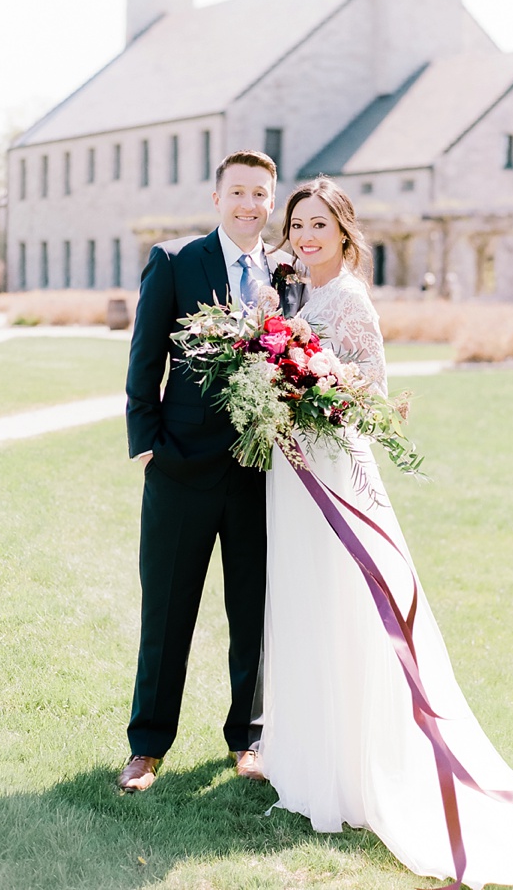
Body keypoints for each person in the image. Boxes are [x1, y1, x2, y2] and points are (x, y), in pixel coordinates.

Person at [258, 177, 513, 889]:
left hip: (333, 474)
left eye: (319, 223)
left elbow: (374, 393)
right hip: (292, 476)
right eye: (298, 224)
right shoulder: (298, 296)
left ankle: (358, 769)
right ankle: (308, 757)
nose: (306, 235)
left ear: (345, 232)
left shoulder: (350, 299)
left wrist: (313, 385)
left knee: (347, 611)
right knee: (303, 607)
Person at [120, 149, 304, 792]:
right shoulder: (175, 261)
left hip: (258, 472)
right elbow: (146, 356)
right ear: (217, 198)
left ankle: (247, 741)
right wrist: (147, 442)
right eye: (239, 192)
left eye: (261, 194)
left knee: (252, 611)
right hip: (179, 468)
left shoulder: (286, 271)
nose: (250, 204)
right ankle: (147, 746)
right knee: (166, 610)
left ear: (271, 201)